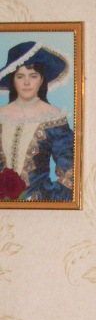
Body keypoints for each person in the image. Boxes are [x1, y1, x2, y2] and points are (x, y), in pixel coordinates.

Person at [0, 41, 74, 202]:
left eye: (33, 76)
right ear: (12, 79)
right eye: (20, 76)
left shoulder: (53, 116)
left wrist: (45, 199)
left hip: (38, 204)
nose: (27, 83)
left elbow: (70, 168)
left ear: (41, 80)